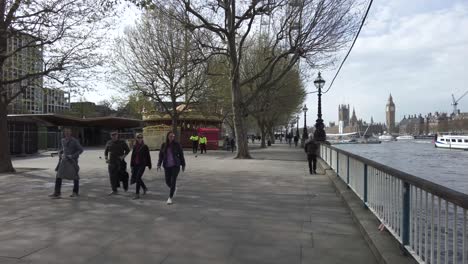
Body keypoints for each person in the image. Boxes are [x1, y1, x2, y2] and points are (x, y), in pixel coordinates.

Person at [49, 128, 83, 199]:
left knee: (75, 176)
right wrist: (60, 152)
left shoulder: (74, 141)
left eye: (68, 131)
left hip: (72, 161)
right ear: (64, 133)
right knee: (58, 175)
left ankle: (75, 192)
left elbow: (81, 150)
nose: (67, 133)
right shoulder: (63, 140)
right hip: (64, 161)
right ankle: (57, 193)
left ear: (71, 132)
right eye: (65, 132)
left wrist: (73, 156)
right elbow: (64, 149)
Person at [157, 131, 186, 205]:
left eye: (173, 136)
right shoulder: (164, 145)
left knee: (173, 181)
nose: (172, 137)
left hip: (175, 166)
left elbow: (181, 155)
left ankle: (170, 198)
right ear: (167, 137)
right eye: (170, 136)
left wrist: (183, 164)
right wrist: (159, 164)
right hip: (167, 166)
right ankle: (174, 188)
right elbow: (161, 156)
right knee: (167, 181)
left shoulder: (177, 145)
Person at [105, 131, 130, 195]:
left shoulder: (122, 142)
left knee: (123, 175)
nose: (114, 136)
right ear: (111, 136)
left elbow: (128, 150)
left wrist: (123, 156)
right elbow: (106, 151)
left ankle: (125, 187)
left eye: (115, 135)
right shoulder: (109, 142)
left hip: (120, 162)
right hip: (111, 162)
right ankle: (114, 190)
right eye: (112, 135)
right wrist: (106, 158)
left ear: (117, 136)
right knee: (112, 177)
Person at [130, 133, 152, 200]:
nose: (140, 139)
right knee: (138, 178)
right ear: (136, 138)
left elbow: (148, 156)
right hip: (136, 165)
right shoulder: (135, 146)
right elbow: (132, 156)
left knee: (138, 177)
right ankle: (145, 188)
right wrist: (131, 165)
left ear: (142, 138)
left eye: (141, 137)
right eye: (138, 137)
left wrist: (149, 165)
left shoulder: (145, 146)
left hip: (142, 164)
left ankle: (137, 194)